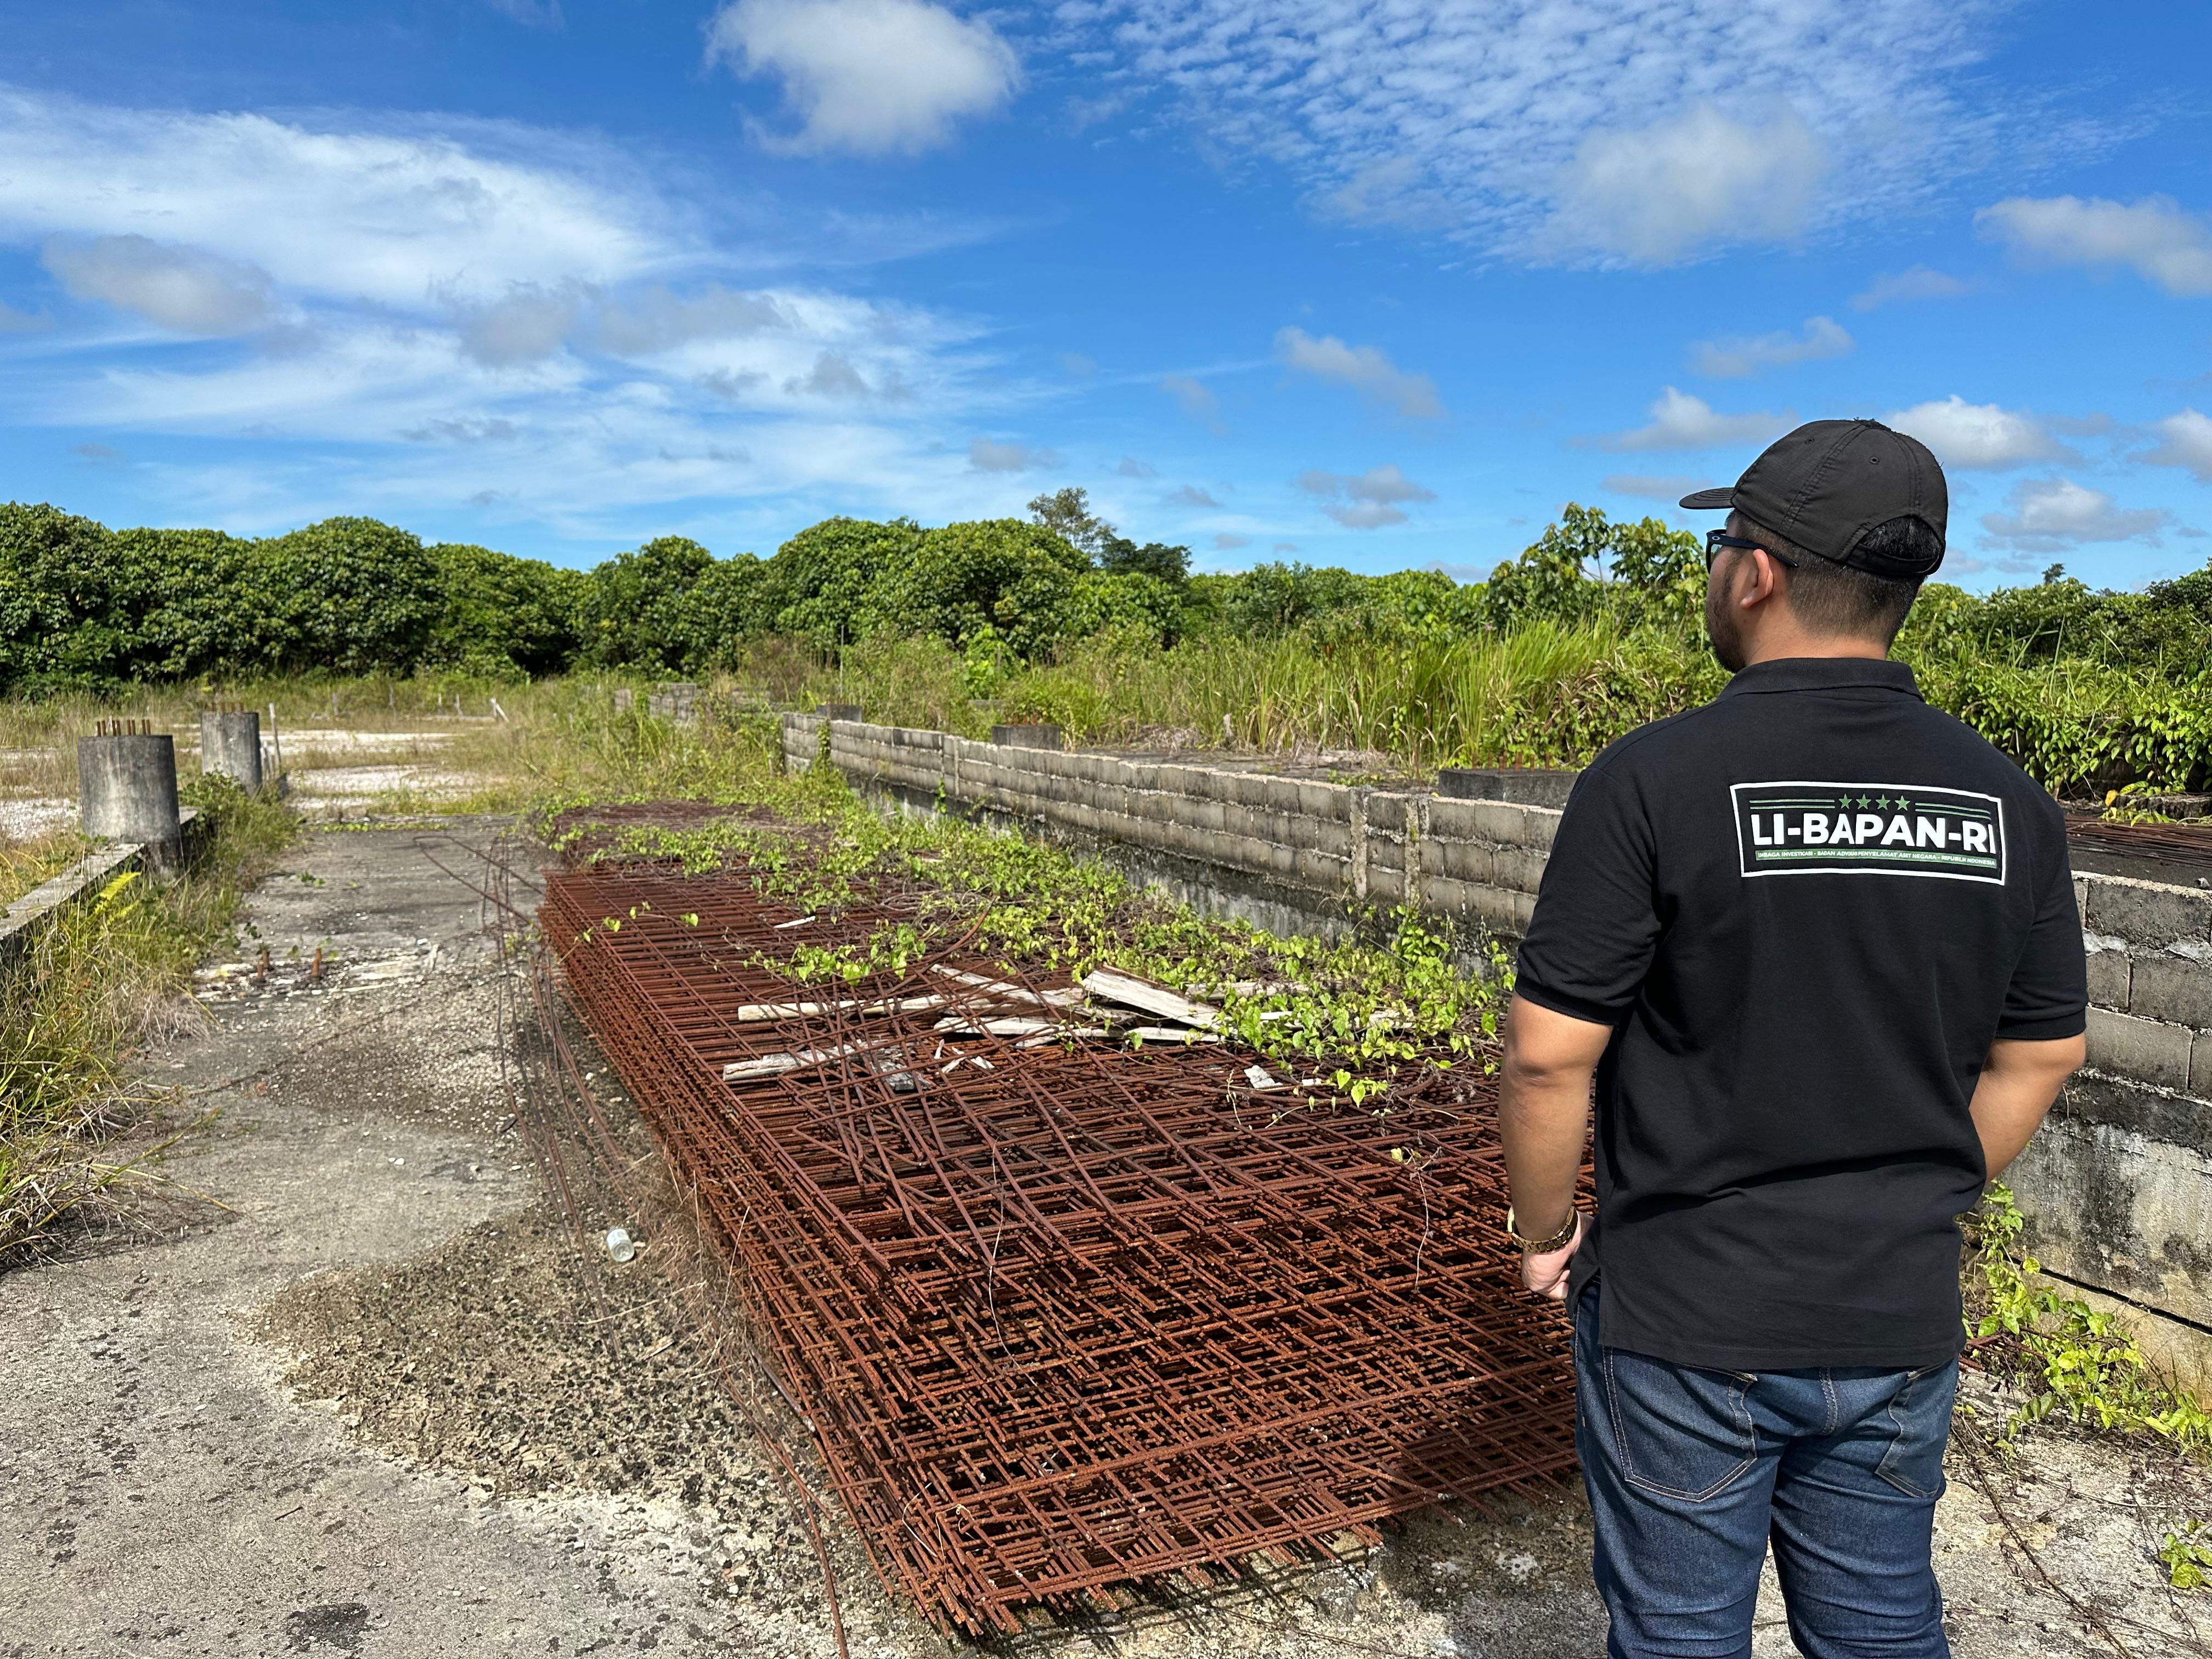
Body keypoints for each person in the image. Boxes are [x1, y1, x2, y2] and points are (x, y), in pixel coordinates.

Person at [1496, 419, 2087, 1659]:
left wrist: (1547, 1234)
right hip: (1894, 1312)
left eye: (1718, 544)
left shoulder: (1654, 779)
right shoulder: (2008, 800)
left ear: (1753, 572)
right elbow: (2043, 1054)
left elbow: (1551, 1054)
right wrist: (1908, 1198)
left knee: (1678, 1630)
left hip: (1688, 1319)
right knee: (1880, 1624)